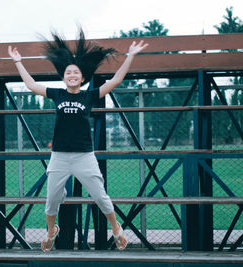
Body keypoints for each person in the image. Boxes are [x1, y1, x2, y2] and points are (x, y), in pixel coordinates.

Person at [8, 28, 148, 252]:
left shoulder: (89, 96)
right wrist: (18, 62)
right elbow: (32, 86)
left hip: (84, 155)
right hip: (60, 156)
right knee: (52, 200)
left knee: (101, 197)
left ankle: (116, 229)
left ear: (82, 78)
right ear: (63, 78)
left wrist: (130, 56)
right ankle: (52, 231)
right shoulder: (57, 94)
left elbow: (116, 80)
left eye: (76, 73)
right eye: (68, 73)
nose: (72, 75)